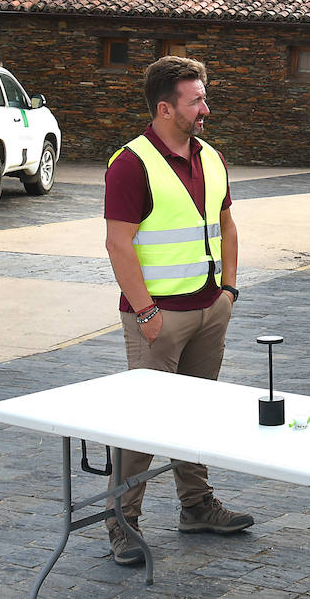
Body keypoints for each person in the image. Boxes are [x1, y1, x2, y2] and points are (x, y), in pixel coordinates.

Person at [102, 56, 253, 567]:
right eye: (196, 100)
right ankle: (123, 521)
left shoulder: (211, 157)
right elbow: (118, 244)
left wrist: (228, 292)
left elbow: (227, 227)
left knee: (195, 413)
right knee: (143, 423)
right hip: (158, 317)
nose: (205, 108)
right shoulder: (130, 164)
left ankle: (196, 504)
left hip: (209, 308)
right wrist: (146, 314)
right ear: (166, 108)